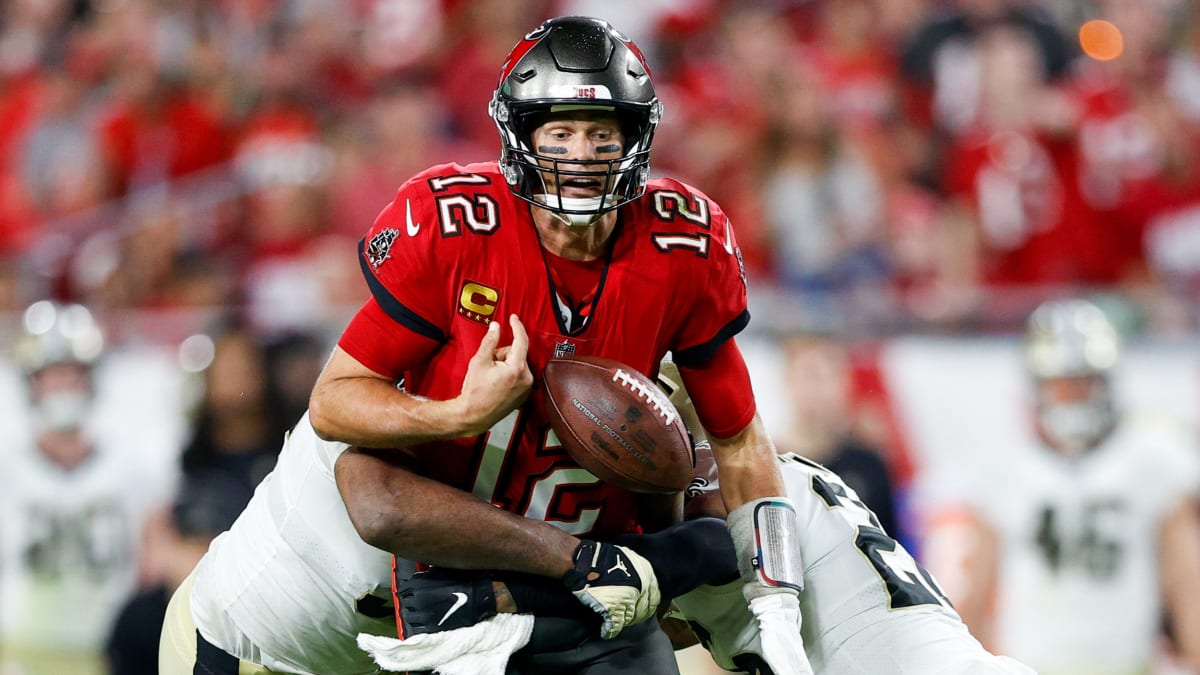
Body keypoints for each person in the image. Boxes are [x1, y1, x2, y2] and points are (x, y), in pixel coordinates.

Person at [161, 16, 806, 675]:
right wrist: (457, 415)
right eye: (559, 131)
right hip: (269, 638)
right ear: (520, 136)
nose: (581, 155)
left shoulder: (683, 247)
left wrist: (773, 599)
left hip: (478, 621)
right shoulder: (454, 230)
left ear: (635, 137)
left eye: (600, 132)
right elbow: (339, 416)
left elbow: (738, 441)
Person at [366, 362, 1035, 675]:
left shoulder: (724, 491)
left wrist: (496, 597)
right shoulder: (777, 471)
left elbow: (708, 548)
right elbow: (650, 602)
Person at [921, 298, 1200, 674]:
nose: (1073, 395)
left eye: (1084, 382)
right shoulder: (1004, 466)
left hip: (1127, 665)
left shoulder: (1151, 460)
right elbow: (977, 587)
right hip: (1030, 666)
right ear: (1038, 387)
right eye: (1061, 383)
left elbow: (1186, 584)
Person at [0, 301, 175, 675]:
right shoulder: (8, 467)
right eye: (53, 373)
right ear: (32, 382)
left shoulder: (131, 466)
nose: (64, 385)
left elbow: (155, 557)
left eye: (74, 372)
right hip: (21, 650)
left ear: (91, 378)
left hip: (107, 651)